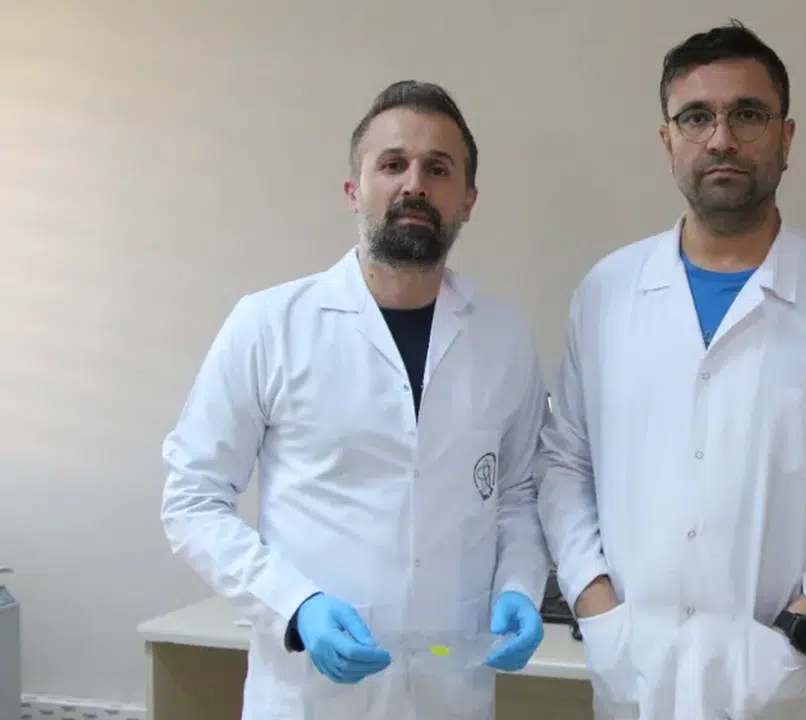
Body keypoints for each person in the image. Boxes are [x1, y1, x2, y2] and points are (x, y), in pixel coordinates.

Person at [538, 20, 806, 719]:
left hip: (797, 687)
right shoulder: (606, 293)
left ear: (786, 138)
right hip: (641, 682)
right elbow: (563, 465)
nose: (721, 138)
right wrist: (595, 605)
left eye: (748, 114)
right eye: (696, 117)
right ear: (667, 141)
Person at [160, 80, 550, 719]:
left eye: (438, 169)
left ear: (468, 200)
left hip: (450, 693)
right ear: (353, 190)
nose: (414, 185)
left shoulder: (503, 337)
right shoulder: (269, 325)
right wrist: (296, 605)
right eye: (392, 164)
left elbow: (516, 495)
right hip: (309, 697)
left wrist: (519, 586)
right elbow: (192, 499)